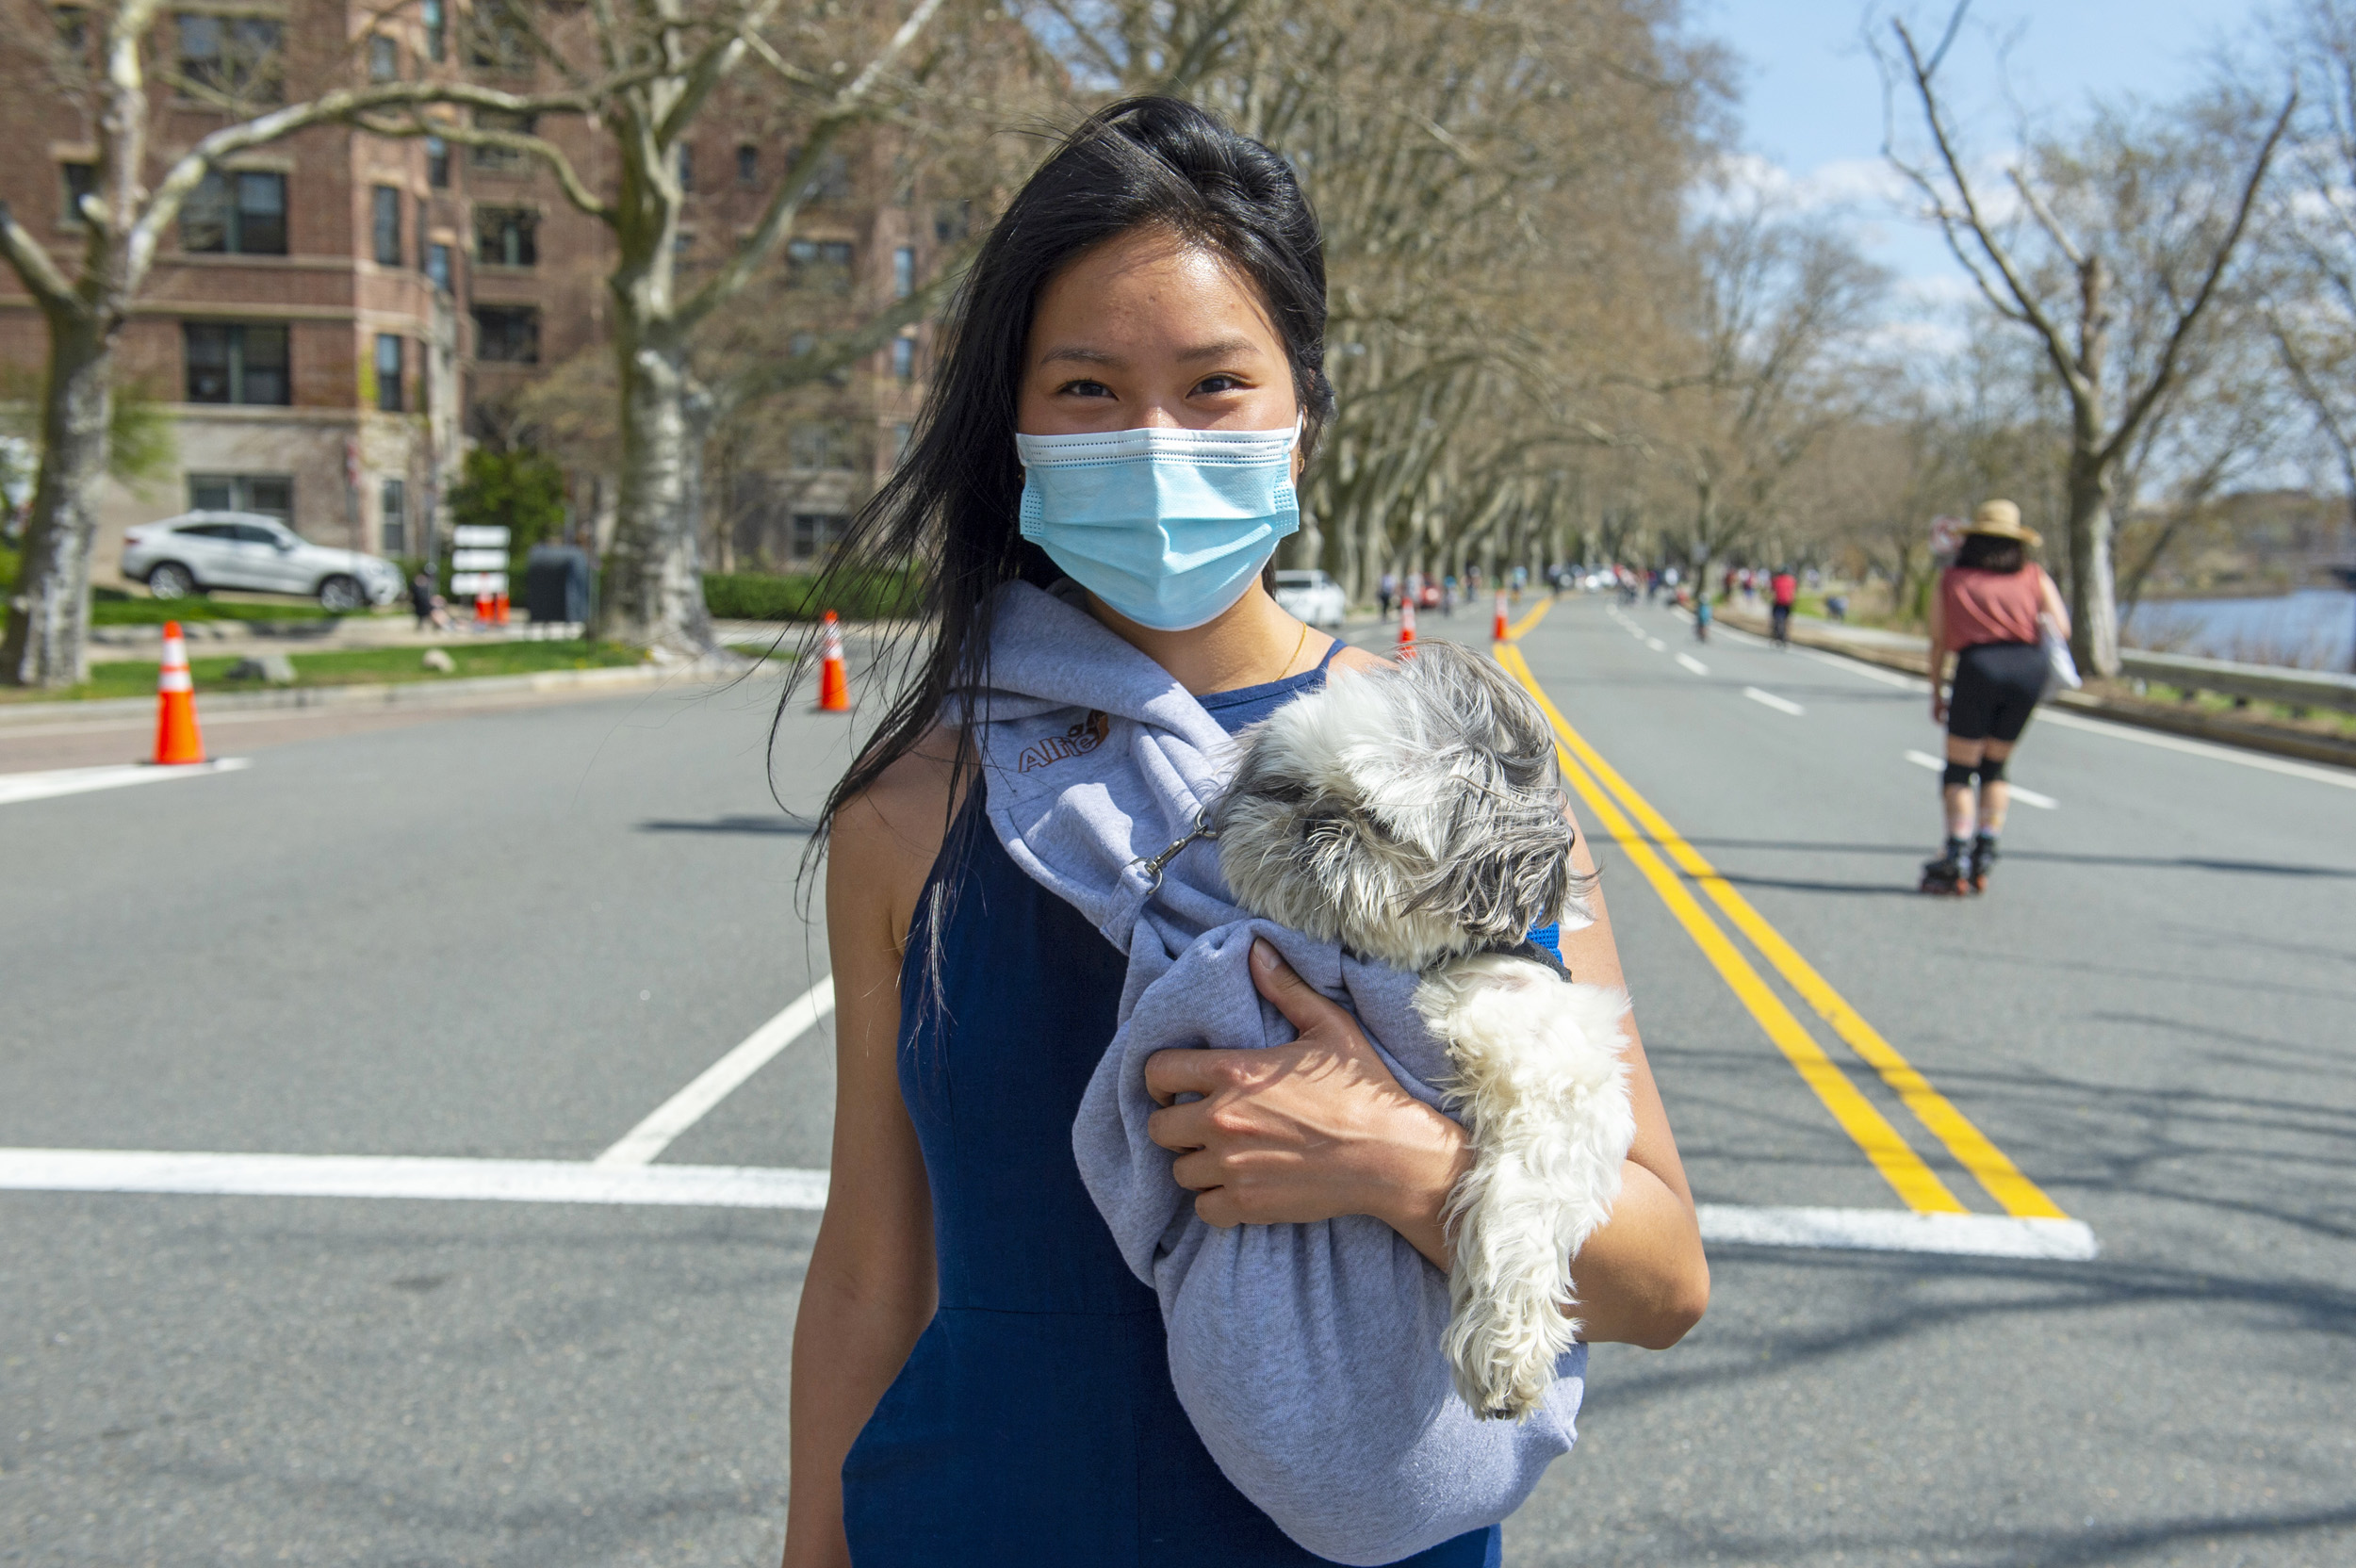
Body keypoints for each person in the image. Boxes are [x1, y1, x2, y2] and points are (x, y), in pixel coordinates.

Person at [781, 98, 1707, 1568]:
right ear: (1012, 429)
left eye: (1215, 384)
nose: (1154, 440)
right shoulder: (911, 813)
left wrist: (1398, 1161)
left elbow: (1660, 1278)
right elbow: (867, 1281)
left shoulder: (1460, 775)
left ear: (1303, 416)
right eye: (1087, 390)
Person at [1921, 499, 2070, 895]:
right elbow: (2062, 628)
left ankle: (1955, 850)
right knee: (1994, 767)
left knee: (1958, 770)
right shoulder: (2034, 576)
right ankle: (1987, 845)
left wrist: (1936, 690)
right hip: (2028, 670)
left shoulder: (1954, 580)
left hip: (1979, 668)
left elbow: (1938, 641)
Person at [1768, 565, 1796, 647]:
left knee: (1775, 618)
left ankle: (1776, 635)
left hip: (1778, 602)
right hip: (1788, 603)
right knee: (1786, 620)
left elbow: (1772, 591)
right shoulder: (1792, 580)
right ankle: (1786, 636)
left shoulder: (1776, 580)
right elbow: (1793, 592)